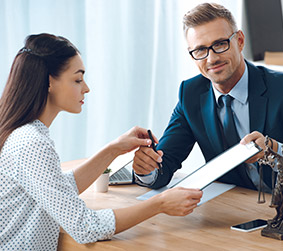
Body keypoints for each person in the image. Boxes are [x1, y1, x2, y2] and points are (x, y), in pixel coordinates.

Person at [0, 33, 203, 250]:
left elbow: (59, 192)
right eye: (77, 79)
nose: (86, 88)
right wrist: (159, 204)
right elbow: (85, 227)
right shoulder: (32, 142)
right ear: (49, 82)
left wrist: (115, 148)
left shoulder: (25, 135)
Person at [132, 2, 283, 203]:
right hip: (234, 210)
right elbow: (165, 164)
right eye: (200, 50)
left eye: (219, 44)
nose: (211, 58)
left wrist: (273, 149)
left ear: (240, 41)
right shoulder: (190, 94)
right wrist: (146, 168)